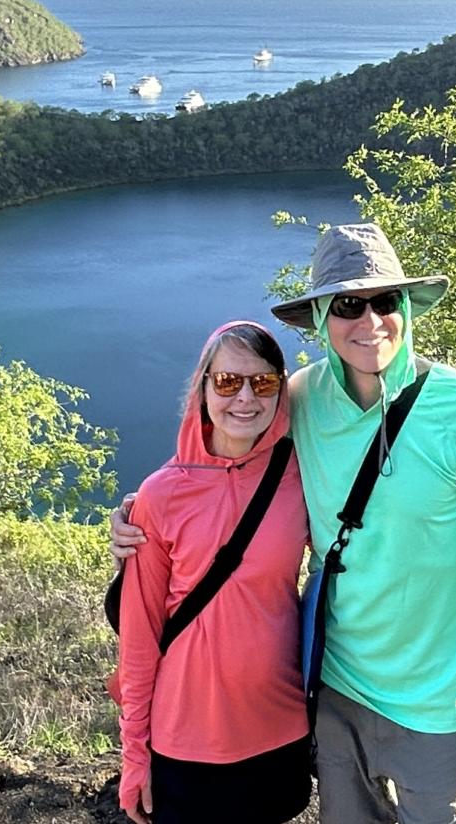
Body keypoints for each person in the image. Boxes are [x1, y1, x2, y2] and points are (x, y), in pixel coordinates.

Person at [113, 223, 456, 824]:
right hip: (337, 694)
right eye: (347, 306)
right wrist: (141, 514)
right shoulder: (302, 400)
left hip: (440, 703)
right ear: (320, 317)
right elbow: (225, 460)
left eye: (385, 301)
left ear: (406, 306)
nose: (370, 321)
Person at [115, 320, 312, 824]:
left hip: (279, 724)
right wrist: (135, 752)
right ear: (202, 388)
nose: (245, 398)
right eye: (227, 382)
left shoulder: (301, 475)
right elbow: (139, 635)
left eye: (263, 382)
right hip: (185, 736)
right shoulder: (161, 494)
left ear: (280, 391)